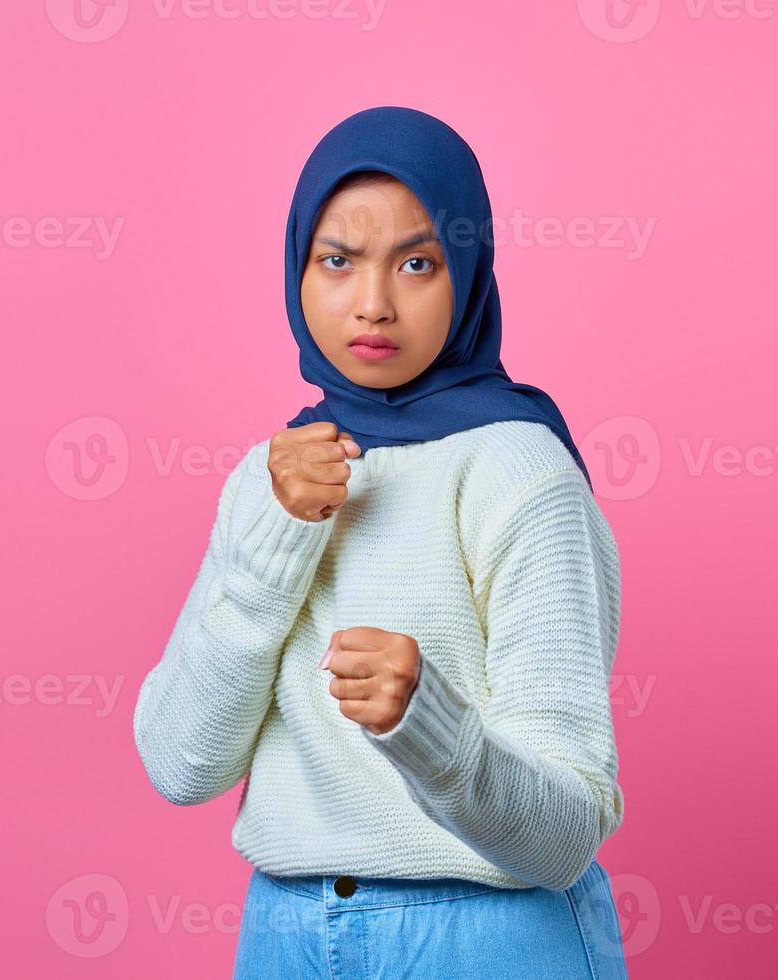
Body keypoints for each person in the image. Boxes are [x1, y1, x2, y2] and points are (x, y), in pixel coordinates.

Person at [133, 105, 629, 978]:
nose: (372, 303)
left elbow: (563, 837)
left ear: (466, 274)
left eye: (416, 262)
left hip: (488, 936)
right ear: (296, 268)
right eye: (337, 260)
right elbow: (179, 765)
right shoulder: (272, 475)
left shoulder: (519, 471)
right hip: (285, 935)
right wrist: (277, 538)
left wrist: (424, 724)